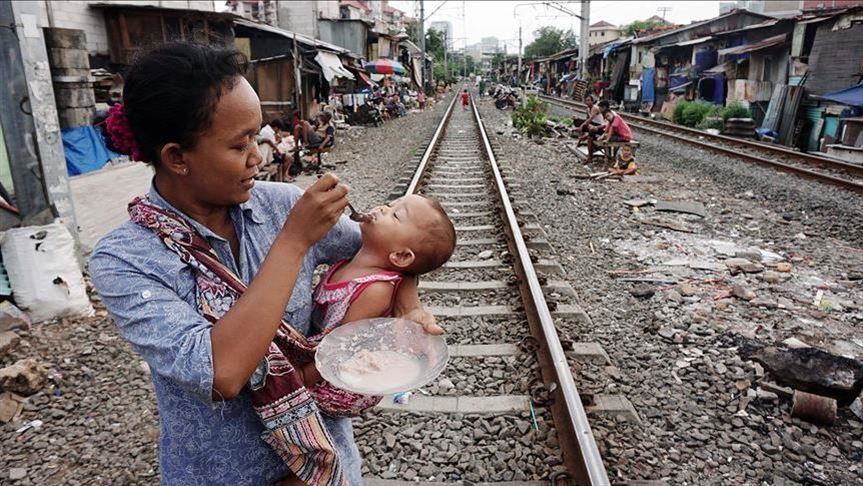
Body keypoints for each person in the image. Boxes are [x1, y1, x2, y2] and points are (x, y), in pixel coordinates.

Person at [89, 42, 439, 486]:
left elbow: (391, 257)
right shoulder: (125, 260)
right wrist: (293, 242)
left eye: (257, 135)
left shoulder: (281, 204)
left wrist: (408, 307)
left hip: (324, 468)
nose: (260, 156)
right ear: (177, 157)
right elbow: (224, 372)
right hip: (222, 473)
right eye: (240, 145)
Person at [301, 194, 457, 405]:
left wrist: (300, 381)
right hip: (316, 353)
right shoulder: (351, 262)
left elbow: (341, 348)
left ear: (401, 256)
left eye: (396, 215)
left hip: (328, 380)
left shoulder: (375, 290)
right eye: (390, 204)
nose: (383, 208)